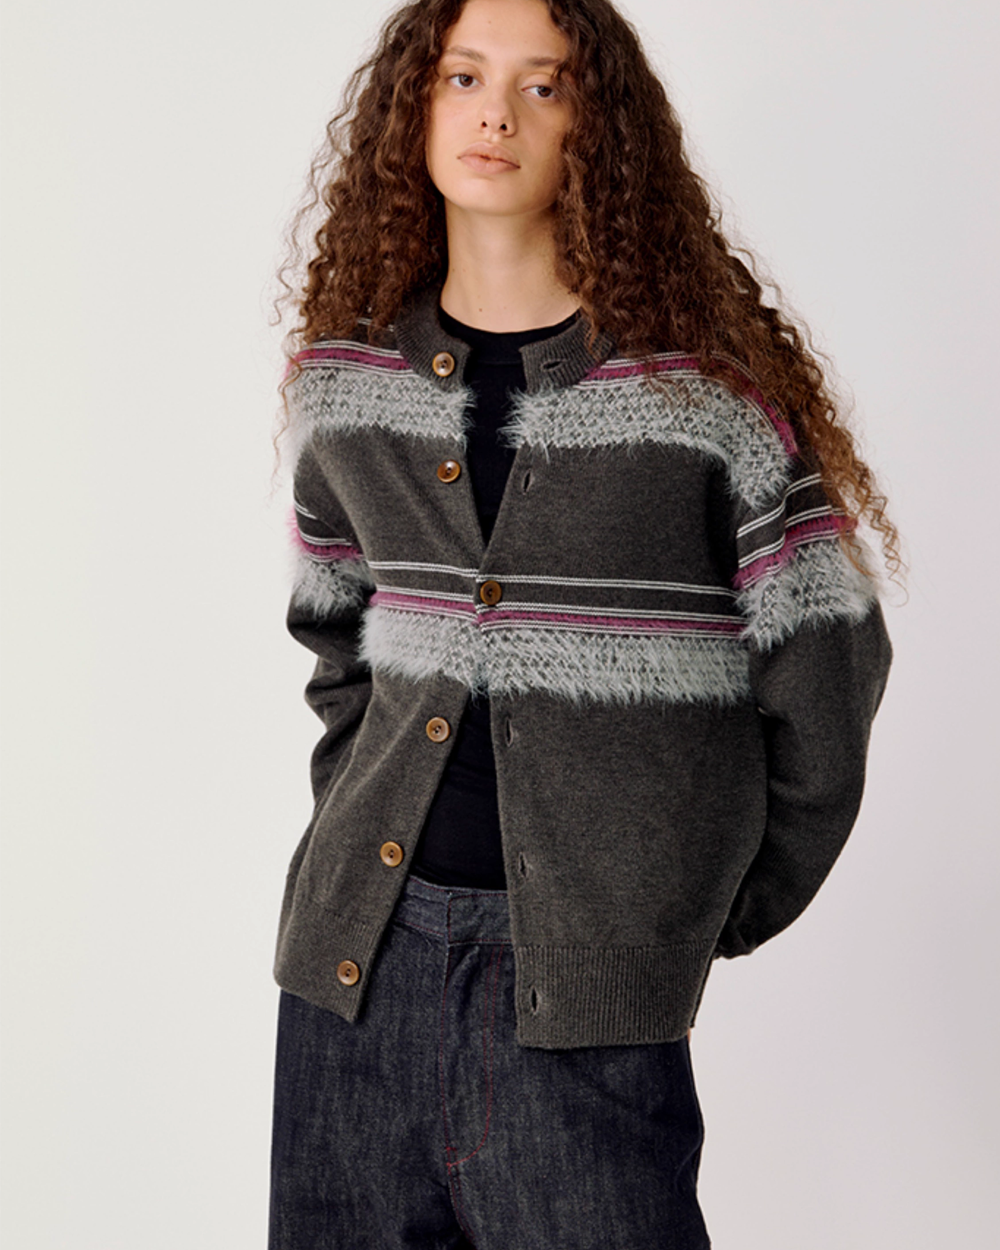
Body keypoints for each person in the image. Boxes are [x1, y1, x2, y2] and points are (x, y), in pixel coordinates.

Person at [268, 0, 895, 1246]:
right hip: (352, 980)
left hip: (587, 1002)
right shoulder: (346, 385)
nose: (496, 113)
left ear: (593, 126)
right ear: (412, 107)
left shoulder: (704, 399)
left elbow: (826, 675)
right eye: (461, 76)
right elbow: (338, 649)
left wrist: (687, 910)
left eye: (542, 85)